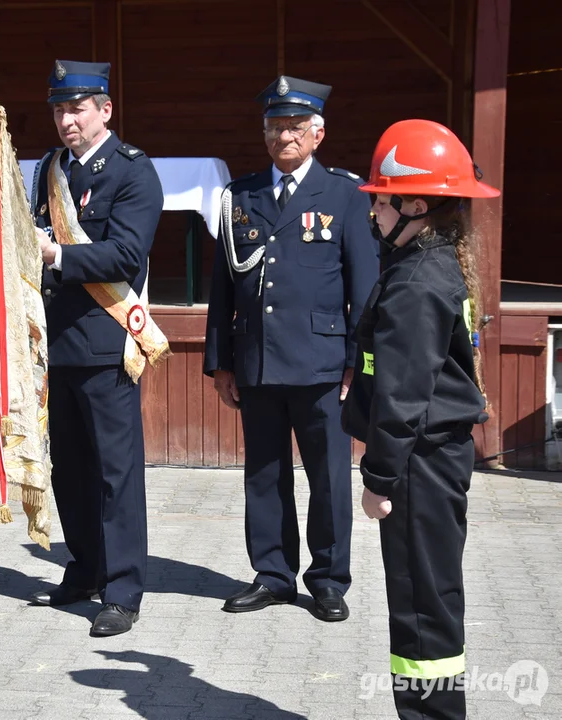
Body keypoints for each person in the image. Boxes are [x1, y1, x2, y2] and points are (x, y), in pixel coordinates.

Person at [203, 76, 379, 621]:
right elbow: (222, 286)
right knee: (264, 471)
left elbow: (365, 287)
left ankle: (328, 579)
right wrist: (220, 361)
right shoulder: (242, 195)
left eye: (296, 127)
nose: (285, 136)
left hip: (323, 363)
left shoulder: (345, 195)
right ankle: (273, 574)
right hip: (257, 358)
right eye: (275, 126)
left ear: (318, 133)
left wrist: (356, 361)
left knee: (327, 477)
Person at [342, 119, 496, 719]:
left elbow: (404, 397)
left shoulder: (414, 282)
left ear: (416, 203)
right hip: (432, 457)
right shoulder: (429, 266)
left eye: (381, 200)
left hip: (417, 465)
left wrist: (379, 481)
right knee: (429, 600)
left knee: (419, 608)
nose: (374, 212)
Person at [28, 59, 164, 637]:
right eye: (59, 109)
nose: (67, 120)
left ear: (105, 110)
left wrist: (56, 254)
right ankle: (84, 567)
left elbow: (126, 256)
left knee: (115, 473)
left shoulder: (133, 173)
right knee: (72, 471)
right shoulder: (49, 170)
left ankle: (124, 587)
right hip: (57, 342)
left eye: (77, 108)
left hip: (108, 342)